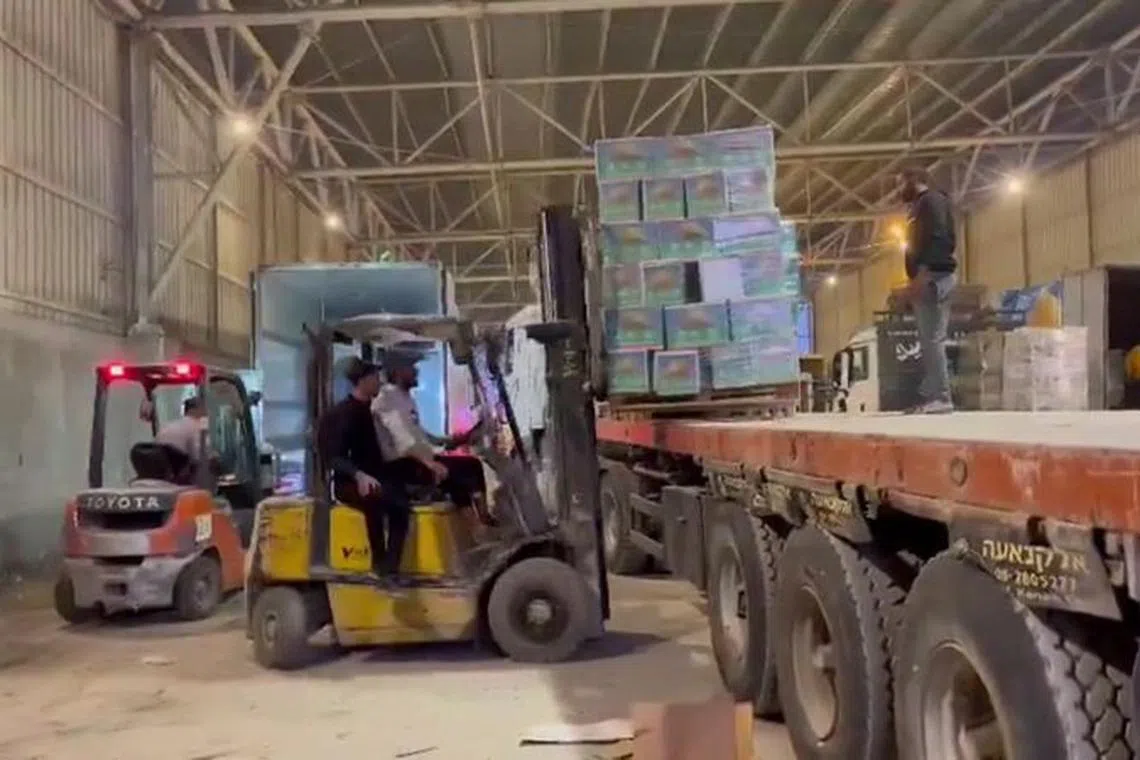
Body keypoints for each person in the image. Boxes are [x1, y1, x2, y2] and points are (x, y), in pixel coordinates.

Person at [317, 357, 409, 577]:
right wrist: (358, 475)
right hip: (349, 481)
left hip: (378, 475)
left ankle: (392, 564)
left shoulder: (376, 412)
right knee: (380, 500)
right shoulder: (340, 414)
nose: (380, 382)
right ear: (363, 381)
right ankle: (381, 565)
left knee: (400, 497)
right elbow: (333, 457)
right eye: (375, 378)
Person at [371, 349, 483, 514]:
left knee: (465, 475)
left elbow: (419, 434)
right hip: (403, 465)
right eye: (411, 367)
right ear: (397, 372)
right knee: (469, 468)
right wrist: (430, 464)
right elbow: (404, 440)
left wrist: (450, 441)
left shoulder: (404, 397)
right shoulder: (387, 399)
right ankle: (483, 517)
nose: (416, 371)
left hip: (419, 459)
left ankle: (475, 520)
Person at [899, 166, 958, 415]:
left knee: (933, 339)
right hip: (928, 276)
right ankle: (932, 394)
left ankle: (941, 397)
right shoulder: (920, 207)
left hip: (934, 276)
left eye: (902, 182)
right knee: (928, 340)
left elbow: (939, 237)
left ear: (915, 180)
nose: (900, 189)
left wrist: (923, 273)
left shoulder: (932, 201)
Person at [155, 397, 209, 482]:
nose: (207, 412)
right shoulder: (196, 426)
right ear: (197, 409)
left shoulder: (167, 427)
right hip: (185, 479)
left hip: (163, 477)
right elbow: (201, 457)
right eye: (205, 409)